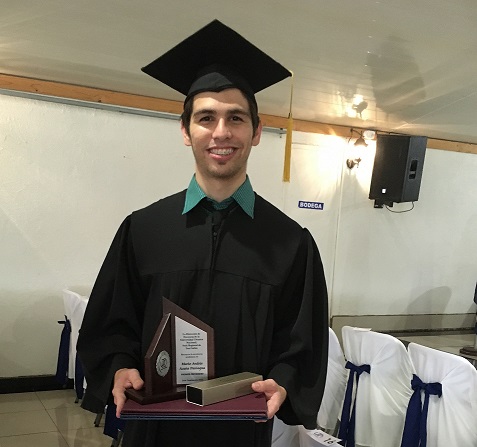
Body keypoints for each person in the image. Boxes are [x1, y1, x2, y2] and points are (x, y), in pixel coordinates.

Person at [77, 19, 328, 447]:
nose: (221, 132)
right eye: (206, 118)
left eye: (236, 118)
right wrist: (119, 367)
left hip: (241, 434)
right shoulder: (144, 229)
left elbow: (300, 343)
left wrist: (283, 383)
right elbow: (112, 325)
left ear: (256, 132)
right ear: (185, 131)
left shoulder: (290, 243)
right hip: (153, 430)